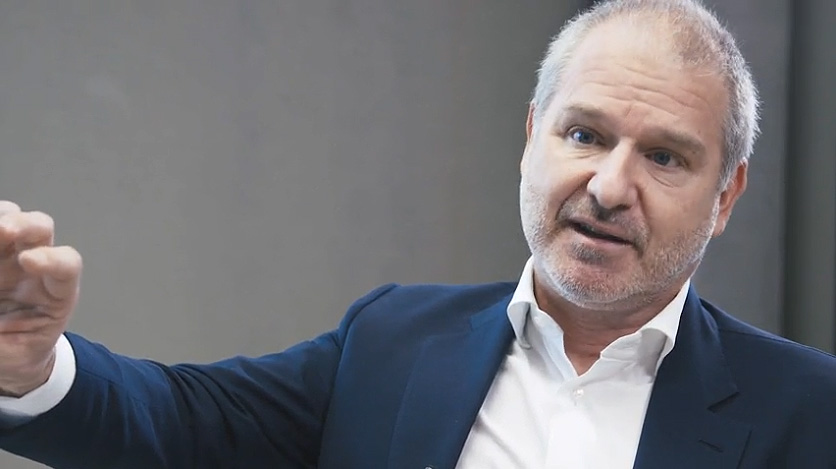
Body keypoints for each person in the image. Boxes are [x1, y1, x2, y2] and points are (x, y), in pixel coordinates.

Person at [0, 0, 834, 467]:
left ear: (726, 196)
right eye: (584, 134)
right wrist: (32, 365)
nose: (610, 186)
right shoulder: (393, 341)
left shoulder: (809, 411)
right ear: (532, 137)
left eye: (663, 156)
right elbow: (179, 421)